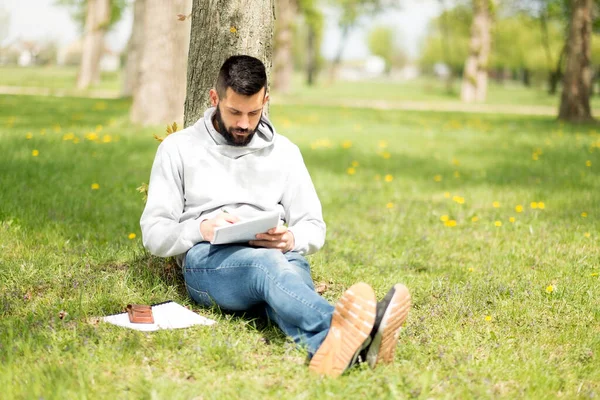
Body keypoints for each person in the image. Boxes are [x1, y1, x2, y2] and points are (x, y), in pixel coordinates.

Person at [140, 55, 411, 377]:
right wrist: (201, 227)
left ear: (266, 101)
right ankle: (355, 329)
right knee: (267, 266)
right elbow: (154, 233)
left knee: (283, 277)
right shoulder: (178, 148)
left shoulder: (285, 152)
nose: (244, 123)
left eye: (254, 112)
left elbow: (313, 225)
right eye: (234, 112)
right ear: (215, 99)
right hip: (209, 261)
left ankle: (344, 349)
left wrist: (291, 238)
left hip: (277, 256)